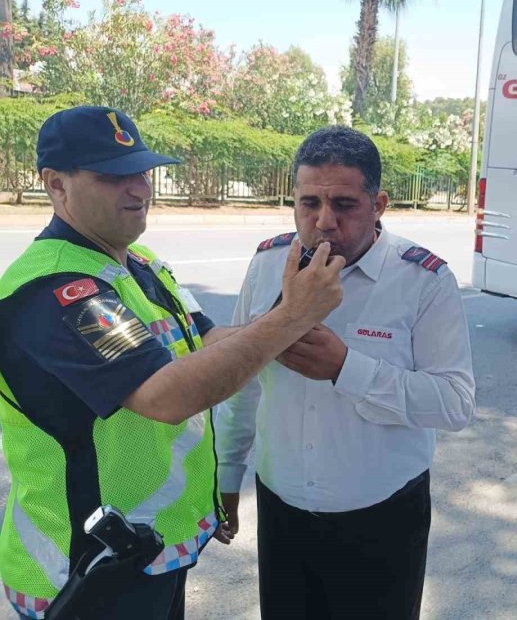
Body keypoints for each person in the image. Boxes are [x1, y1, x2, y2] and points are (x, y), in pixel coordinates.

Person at [0, 106, 345, 620]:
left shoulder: (140, 266)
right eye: (113, 176)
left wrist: (291, 312)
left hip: (146, 549)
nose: (139, 189)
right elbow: (166, 395)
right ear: (56, 185)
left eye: (142, 170)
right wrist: (292, 318)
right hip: (84, 569)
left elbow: (208, 342)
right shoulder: (60, 291)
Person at [215, 126, 476, 619]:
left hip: (382, 516)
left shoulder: (423, 279)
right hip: (282, 507)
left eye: (345, 205)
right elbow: (243, 384)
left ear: (379, 204)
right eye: (309, 202)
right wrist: (228, 475)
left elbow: (455, 403)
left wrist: (346, 368)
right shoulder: (270, 263)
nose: (324, 222)